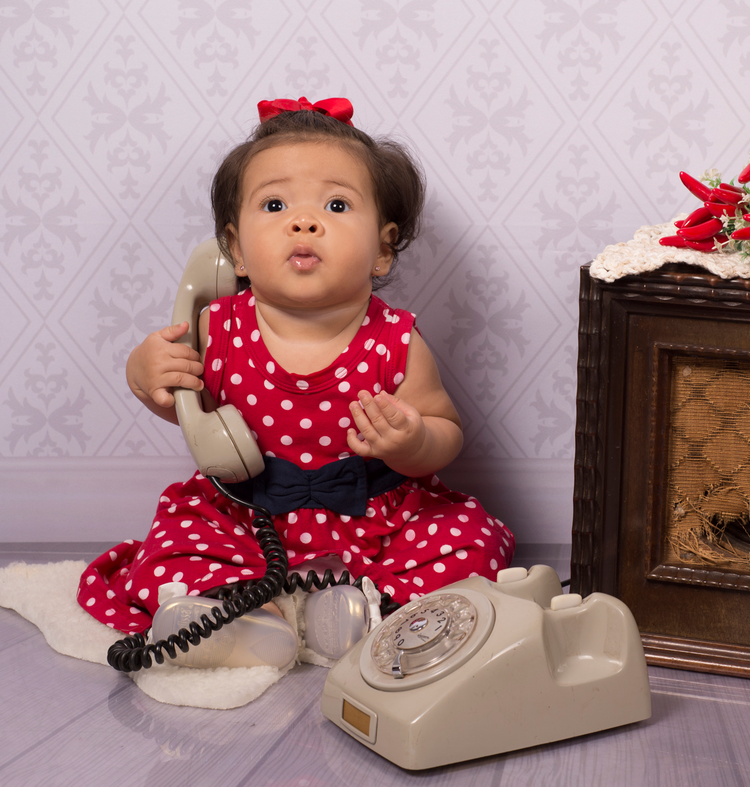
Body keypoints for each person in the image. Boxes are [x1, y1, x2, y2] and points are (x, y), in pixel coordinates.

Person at [79, 97, 515, 668]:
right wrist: (145, 376)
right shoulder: (216, 328)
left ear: (382, 249)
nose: (304, 222)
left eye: (336, 205)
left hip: (374, 516)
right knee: (177, 541)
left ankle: (369, 610)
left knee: (469, 538)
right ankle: (242, 616)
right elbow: (196, 411)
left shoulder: (395, 341)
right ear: (234, 248)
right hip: (244, 513)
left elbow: (446, 428)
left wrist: (414, 442)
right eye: (275, 204)